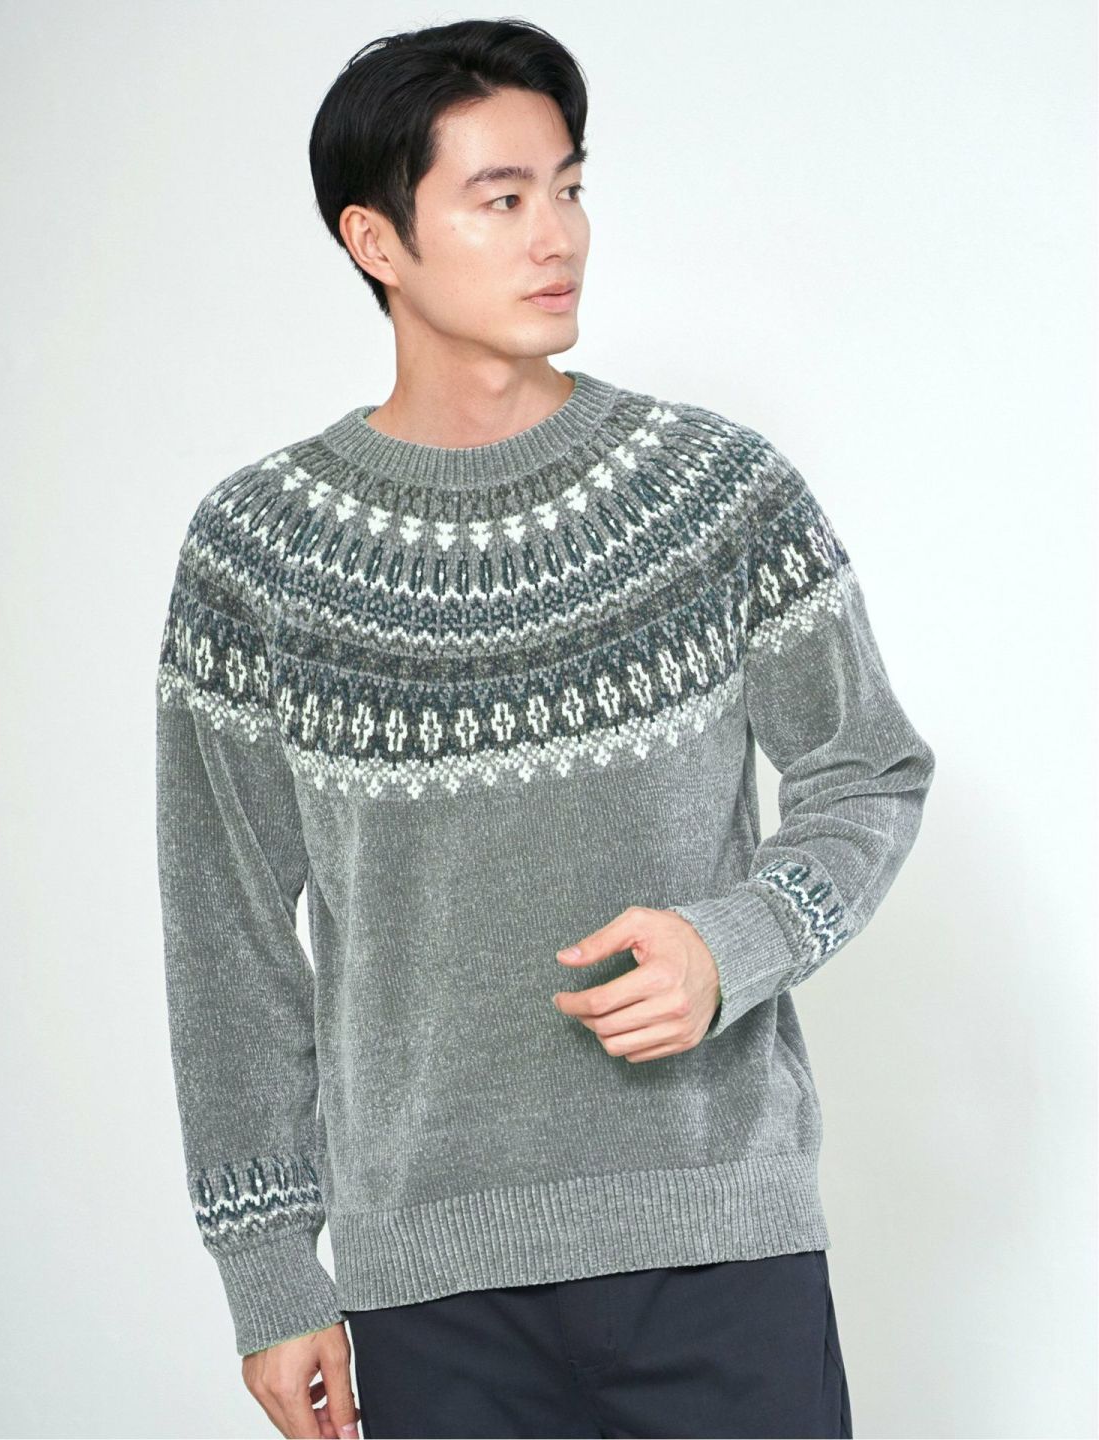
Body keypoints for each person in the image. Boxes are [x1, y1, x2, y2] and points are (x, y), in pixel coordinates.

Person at [154, 17, 934, 1439]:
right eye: (501, 198)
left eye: (569, 188)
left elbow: (868, 771)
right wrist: (267, 1270)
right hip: (429, 1290)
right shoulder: (258, 556)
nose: (556, 235)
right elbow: (229, 934)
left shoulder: (715, 492)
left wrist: (736, 943)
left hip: (719, 1252)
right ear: (376, 241)